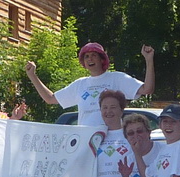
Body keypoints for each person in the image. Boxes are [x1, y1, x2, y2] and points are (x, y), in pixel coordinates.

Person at [25, 42, 154, 126]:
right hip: (86, 141)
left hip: (111, 140)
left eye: (93, 55)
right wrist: (32, 76)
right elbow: (50, 99)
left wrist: (149, 60)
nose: (90, 59)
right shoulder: (80, 84)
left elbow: (147, 89)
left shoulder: (116, 78)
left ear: (102, 59)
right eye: (86, 56)